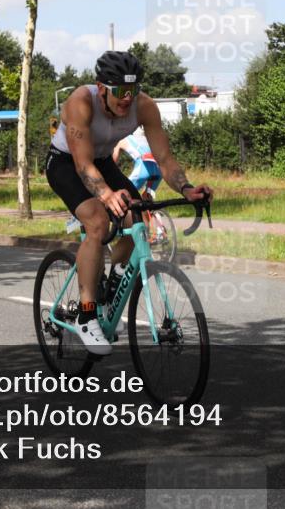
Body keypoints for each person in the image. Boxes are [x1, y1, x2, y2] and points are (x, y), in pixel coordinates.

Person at [46, 51, 213, 356]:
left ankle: (112, 284)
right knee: (98, 222)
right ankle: (86, 314)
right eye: (121, 91)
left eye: (133, 90)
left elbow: (164, 159)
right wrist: (106, 195)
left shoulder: (144, 106)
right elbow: (83, 166)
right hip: (67, 164)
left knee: (137, 217)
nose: (127, 99)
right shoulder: (80, 102)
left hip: (101, 162)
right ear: (101, 88)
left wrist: (187, 188)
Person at [112, 130, 161, 198]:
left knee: (124, 196)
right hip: (158, 170)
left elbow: (112, 163)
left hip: (143, 168)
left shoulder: (120, 139)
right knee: (147, 197)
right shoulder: (146, 138)